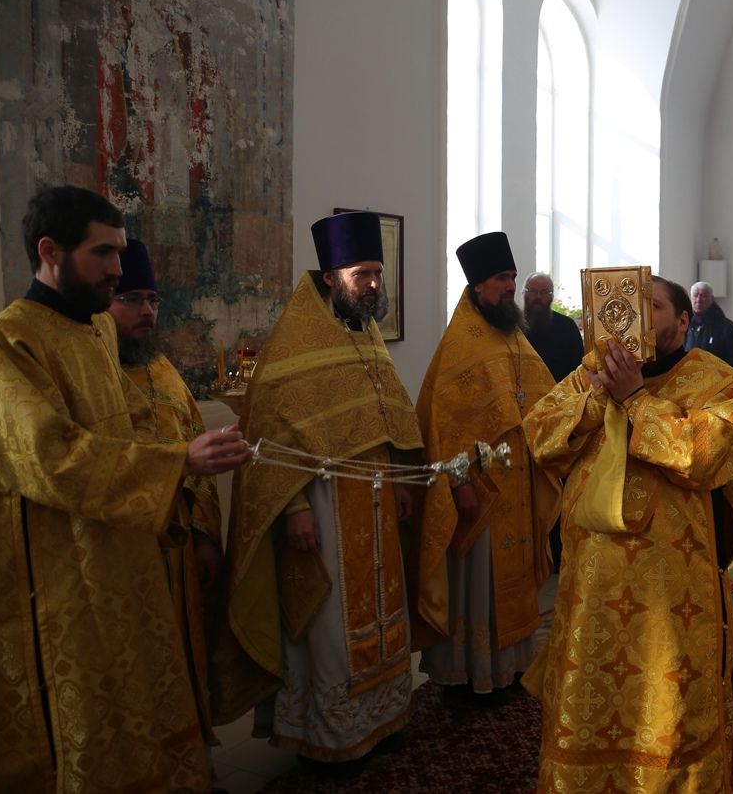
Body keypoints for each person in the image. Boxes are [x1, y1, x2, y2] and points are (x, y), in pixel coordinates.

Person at [0, 185, 250, 791]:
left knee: (142, 707)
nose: (117, 269)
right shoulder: (8, 341)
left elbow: (125, 431)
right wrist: (178, 461)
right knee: (90, 721)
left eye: (119, 253)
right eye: (102, 253)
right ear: (50, 251)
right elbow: (50, 458)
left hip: (124, 553)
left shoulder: (99, 330)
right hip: (61, 572)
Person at [522, 275, 733, 792]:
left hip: (671, 594)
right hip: (592, 587)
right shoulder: (592, 373)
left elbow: (700, 455)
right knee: (589, 696)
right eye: (631, 301)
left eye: (652, 305)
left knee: (667, 707)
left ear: (683, 320)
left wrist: (635, 399)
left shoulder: (717, 382)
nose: (637, 313)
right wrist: (599, 396)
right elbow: (540, 435)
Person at [212, 211, 430, 768]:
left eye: (377, 273)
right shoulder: (294, 344)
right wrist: (294, 509)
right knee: (334, 626)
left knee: (385, 610)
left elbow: (385, 418)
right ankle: (334, 736)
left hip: (377, 500)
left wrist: (400, 480)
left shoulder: (367, 334)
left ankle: (384, 716)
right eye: (362, 275)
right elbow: (273, 438)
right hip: (325, 507)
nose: (373, 284)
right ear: (331, 278)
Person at [416, 232, 559, 698]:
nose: (511, 287)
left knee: (514, 581)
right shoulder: (462, 345)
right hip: (482, 492)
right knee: (479, 584)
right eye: (502, 278)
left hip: (518, 485)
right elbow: (442, 426)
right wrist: (458, 484)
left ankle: (511, 666)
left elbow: (543, 398)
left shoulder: (513, 337)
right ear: (478, 284)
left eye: (513, 277)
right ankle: (471, 673)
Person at [108, 238, 224, 758]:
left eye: (152, 300)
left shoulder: (163, 371)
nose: (146, 312)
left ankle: (192, 768)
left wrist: (204, 536)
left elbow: (198, 450)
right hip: (125, 551)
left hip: (177, 549)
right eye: (131, 299)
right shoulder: (93, 377)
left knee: (182, 656)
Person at [522, 272, 583, 383]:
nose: (538, 297)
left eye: (544, 292)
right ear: (524, 294)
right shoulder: (513, 326)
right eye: (533, 291)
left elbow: (578, 370)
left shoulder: (567, 327)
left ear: (552, 296)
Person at [686, 280, 733, 373]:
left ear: (712, 299)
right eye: (695, 295)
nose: (698, 300)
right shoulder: (684, 325)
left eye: (703, 296)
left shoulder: (727, 327)